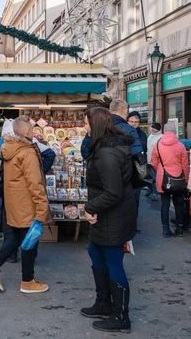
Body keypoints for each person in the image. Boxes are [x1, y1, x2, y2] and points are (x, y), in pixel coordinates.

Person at [80, 107, 137, 333]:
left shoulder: (106, 154)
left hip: (112, 215)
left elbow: (113, 192)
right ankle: (104, 303)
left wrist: (90, 206)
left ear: (96, 126)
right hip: (108, 214)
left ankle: (121, 316)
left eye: (85, 123)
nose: (83, 126)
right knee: (95, 252)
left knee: (113, 261)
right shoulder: (105, 147)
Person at [0, 116, 51, 294]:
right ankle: (26, 281)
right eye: (32, 130)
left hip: (14, 202)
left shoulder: (9, 148)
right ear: (27, 132)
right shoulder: (26, 152)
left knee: (18, 239)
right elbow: (35, 184)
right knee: (29, 240)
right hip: (26, 203)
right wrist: (42, 208)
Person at [151, 121, 189, 237]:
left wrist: (161, 171)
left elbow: (153, 163)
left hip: (163, 179)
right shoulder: (181, 145)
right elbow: (185, 165)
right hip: (178, 179)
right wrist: (186, 180)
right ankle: (180, 228)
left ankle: (166, 229)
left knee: (165, 204)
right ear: (175, 132)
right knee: (179, 203)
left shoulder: (158, 145)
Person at [146, 123, 163, 200]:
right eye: (151, 127)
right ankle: (151, 189)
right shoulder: (150, 136)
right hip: (148, 159)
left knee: (154, 177)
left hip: (155, 161)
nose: (152, 129)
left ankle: (155, 193)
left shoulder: (161, 137)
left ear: (158, 129)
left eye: (153, 128)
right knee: (148, 177)